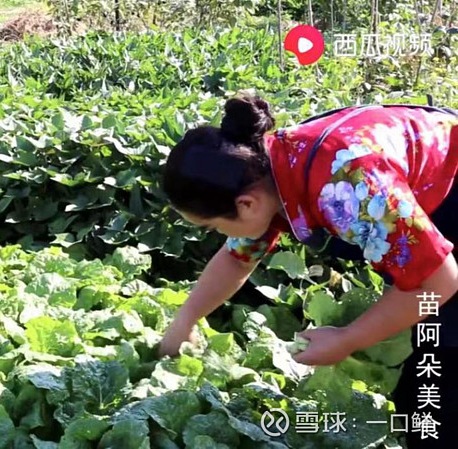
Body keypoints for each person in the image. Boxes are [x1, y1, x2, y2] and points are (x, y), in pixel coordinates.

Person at [158, 94, 458, 447]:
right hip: (416, 196)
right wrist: (187, 319)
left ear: (246, 205)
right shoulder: (263, 173)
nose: (219, 236)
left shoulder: (347, 186)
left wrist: (349, 339)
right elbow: (236, 258)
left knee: (440, 353)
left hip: (449, 191)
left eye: (212, 227)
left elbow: (442, 281)